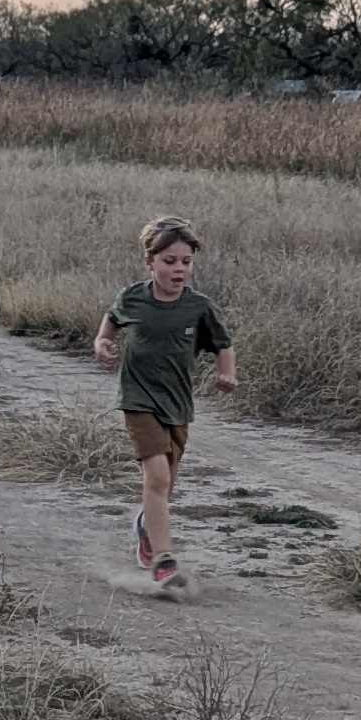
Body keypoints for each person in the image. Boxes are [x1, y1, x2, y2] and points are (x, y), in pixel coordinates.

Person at [93, 214, 237, 588]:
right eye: (169, 261)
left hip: (178, 404)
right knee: (156, 477)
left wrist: (227, 373)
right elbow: (111, 320)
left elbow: (223, 344)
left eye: (186, 262)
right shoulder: (134, 297)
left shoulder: (199, 307)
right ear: (150, 262)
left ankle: (145, 527)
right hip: (139, 399)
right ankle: (163, 558)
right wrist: (102, 342)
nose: (179, 269)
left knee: (166, 485)